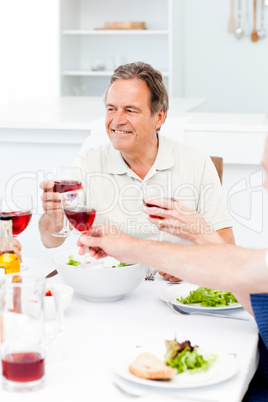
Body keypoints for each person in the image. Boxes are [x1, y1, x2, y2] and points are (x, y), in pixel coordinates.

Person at [77, 135, 268, 401]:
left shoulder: (192, 159)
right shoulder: (92, 160)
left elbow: (246, 270)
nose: (264, 183)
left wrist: (129, 246)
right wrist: (201, 234)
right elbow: (251, 286)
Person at [39, 62, 234, 264]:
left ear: (158, 117)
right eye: (111, 108)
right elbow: (48, 241)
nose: (117, 120)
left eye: (130, 110)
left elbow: (227, 246)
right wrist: (54, 216)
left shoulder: (196, 162)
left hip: (172, 289)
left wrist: (186, 263)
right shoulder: (89, 160)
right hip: (111, 286)